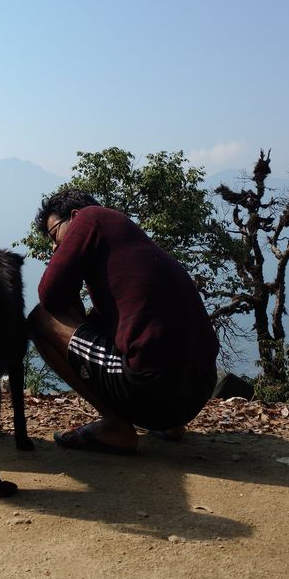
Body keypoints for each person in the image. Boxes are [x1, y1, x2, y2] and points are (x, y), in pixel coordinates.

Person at [27, 189, 219, 455]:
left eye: (53, 234)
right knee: (108, 326)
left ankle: (116, 428)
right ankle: (174, 426)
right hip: (200, 389)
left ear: (73, 215)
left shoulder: (88, 218)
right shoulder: (129, 240)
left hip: (151, 387)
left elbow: (49, 294)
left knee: (41, 318)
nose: (54, 247)